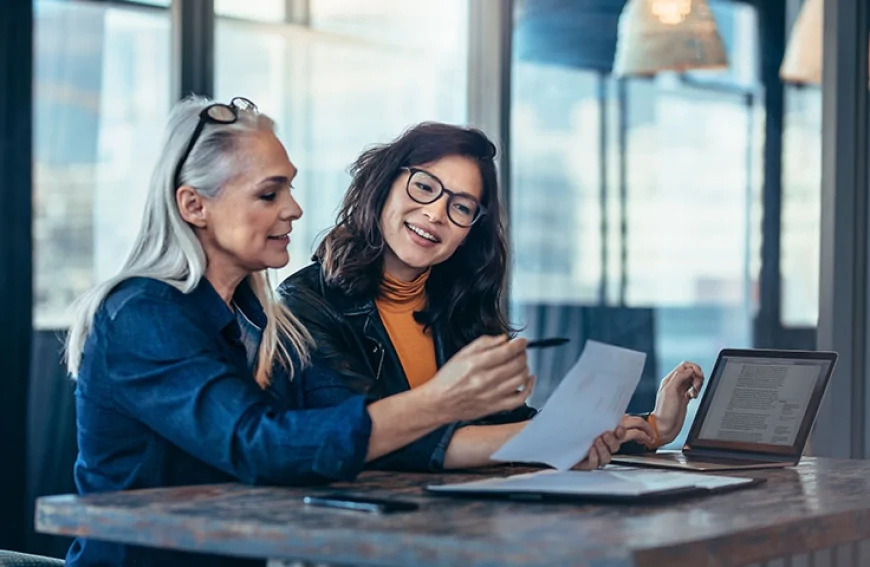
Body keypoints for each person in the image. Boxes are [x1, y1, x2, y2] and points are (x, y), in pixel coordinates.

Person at [62, 98, 548, 567]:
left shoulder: (264, 320)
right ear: (194, 206)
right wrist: (440, 401)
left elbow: (339, 429)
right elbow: (260, 447)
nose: (294, 209)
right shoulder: (142, 315)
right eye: (269, 194)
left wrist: (555, 436)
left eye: (290, 189)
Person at [279, 122, 705, 471]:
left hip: (461, 524)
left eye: (461, 207)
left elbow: (506, 426)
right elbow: (372, 437)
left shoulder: (457, 305)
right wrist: (556, 439)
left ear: (469, 233)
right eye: (424, 187)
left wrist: (653, 427)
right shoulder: (305, 305)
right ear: (384, 184)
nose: (435, 213)